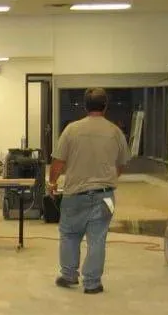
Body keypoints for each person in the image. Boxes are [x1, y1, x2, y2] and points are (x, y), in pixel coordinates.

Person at [47, 88, 130, 294]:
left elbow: (58, 161)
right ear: (105, 106)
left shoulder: (71, 130)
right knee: (97, 238)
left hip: (75, 194)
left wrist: (52, 182)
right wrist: (107, 179)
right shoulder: (115, 132)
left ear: (85, 106)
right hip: (104, 196)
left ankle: (68, 276)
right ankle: (92, 284)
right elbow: (121, 165)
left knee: (69, 234)